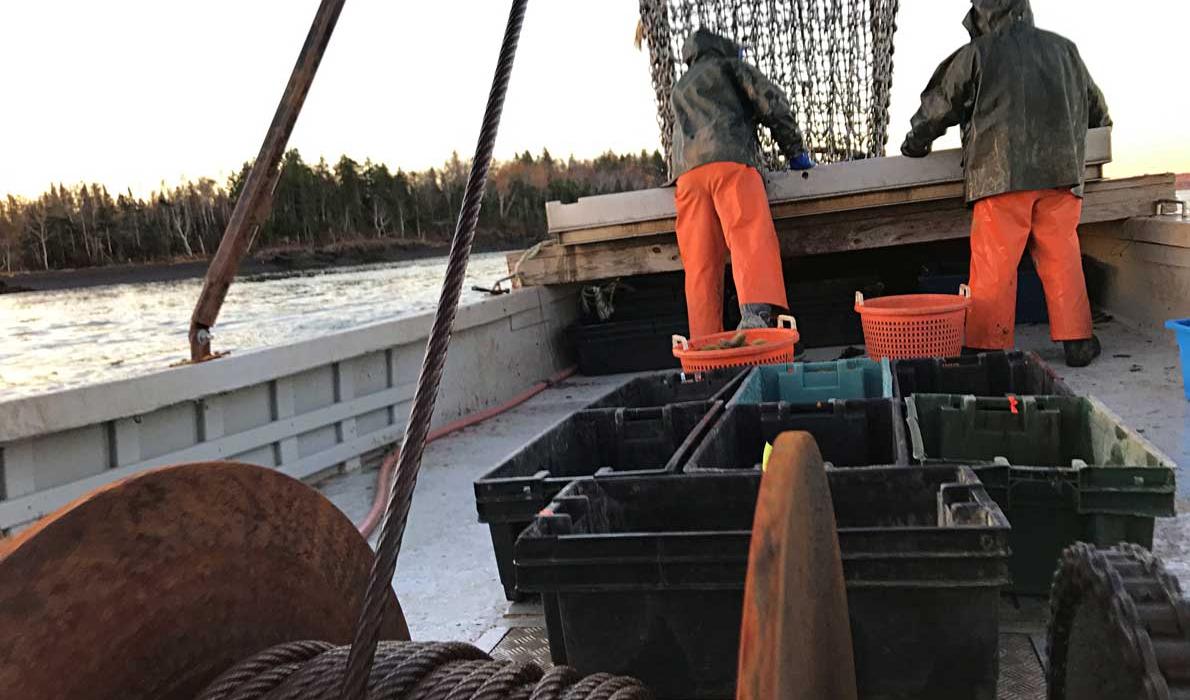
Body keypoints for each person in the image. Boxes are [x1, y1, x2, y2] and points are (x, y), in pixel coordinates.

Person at [900, 0, 1111, 367]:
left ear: (982, 14)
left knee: (995, 262)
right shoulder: (1065, 50)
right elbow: (1098, 111)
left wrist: (915, 142)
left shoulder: (977, 53)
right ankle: (1077, 340)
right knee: (1062, 256)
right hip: (1061, 175)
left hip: (1000, 176)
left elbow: (940, 103)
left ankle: (986, 344)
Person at [669, 29, 814, 339]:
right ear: (725, 49)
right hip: (731, 161)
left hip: (689, 177)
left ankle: (705, 342)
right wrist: (795, 151)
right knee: (749, 236)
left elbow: (678, 136)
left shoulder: (681, 85)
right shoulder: (730, 67)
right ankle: (754, 321)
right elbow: (771, 103)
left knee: (700, 261)